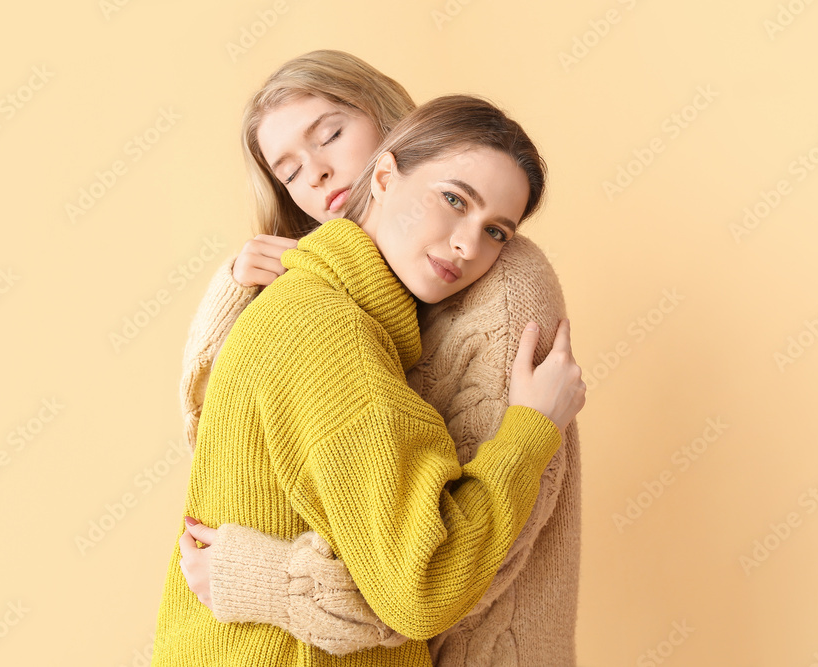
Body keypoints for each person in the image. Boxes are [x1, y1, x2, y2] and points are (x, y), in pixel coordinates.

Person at [174, 51, 583, 665]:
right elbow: (242, 467)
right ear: (388, 178)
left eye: (331, 134)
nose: (316, 173)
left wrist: (266, 579)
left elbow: (461, 569)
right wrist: (232, 289)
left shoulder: (499, 286)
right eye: (289, 170)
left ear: (390, 131)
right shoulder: (326, 317)